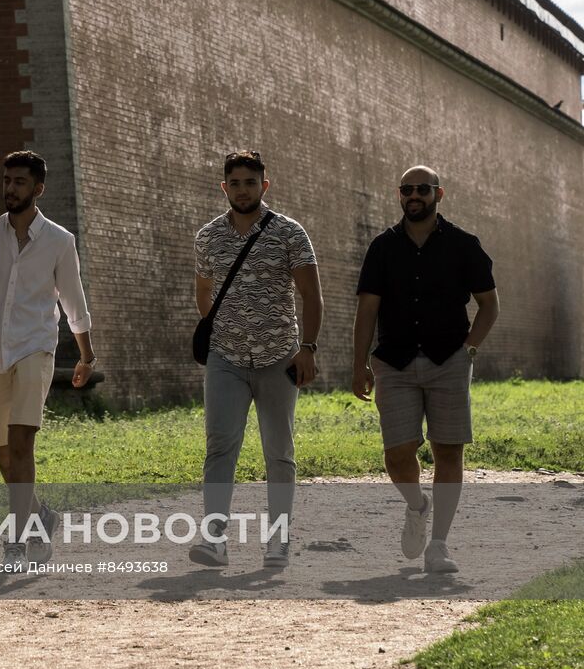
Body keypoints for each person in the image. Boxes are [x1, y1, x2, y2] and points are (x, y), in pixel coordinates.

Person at [0, 150, 96, 568]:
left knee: (21, 442)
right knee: (4, 456)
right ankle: (41, 515)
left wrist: (87, 355)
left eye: (18, 182)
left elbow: (74, 303)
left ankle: (16, 541)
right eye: (6, 180)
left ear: (38, 189)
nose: (9, 188)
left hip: (36, 348)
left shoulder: (59, 241)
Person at [352, 165, 498, 574]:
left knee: (448, 450)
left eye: (422, 189)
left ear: (439, 194)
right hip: (393, 362)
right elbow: (367, 310)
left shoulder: (464, 245)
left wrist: (469, 349)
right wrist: (359, 362)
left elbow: (489, 305)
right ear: (399, 195)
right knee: (398, 456)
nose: (414, 195)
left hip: (448, 358)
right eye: (407, 190)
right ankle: (418, 506)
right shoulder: (383, 247)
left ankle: (439, 544)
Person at [191, 150, 322, 569]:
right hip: (225, 358)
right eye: (235, 182)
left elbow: (311, 296)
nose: (243, 189)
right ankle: (214, 541)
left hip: (279, 357)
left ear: (264, 186)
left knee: (278, 452)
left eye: (251, 182)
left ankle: (278, 541)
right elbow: (203, 292)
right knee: (220, 447)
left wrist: (308, 348)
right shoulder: (208, 236)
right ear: (224, 187)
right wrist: (221, 331)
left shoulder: (289, 233)